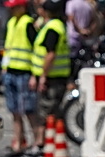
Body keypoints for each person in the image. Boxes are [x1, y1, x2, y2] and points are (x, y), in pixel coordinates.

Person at [1, 0, 41, 156]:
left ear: (22, 7)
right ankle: (18, 141)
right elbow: (8, 47)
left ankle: (38, 141)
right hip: (11, 71)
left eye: (13, 8)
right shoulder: (12, 22)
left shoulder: (28, 23)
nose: (11, 11)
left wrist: (34, 75)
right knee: (15, 111)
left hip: (25, 73)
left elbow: (36, 50)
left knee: (29, 110)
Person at [32, 0, 72, 137]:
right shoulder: (58, 25)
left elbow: (50, 54)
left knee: (47, 112)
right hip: (57, 75)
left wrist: (43, 76)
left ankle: (44, 143)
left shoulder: (52, 28)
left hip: (52, 76)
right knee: (52, 111)